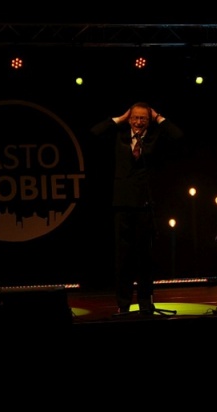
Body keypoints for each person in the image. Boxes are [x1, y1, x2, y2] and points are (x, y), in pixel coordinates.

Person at [91, 101, 184, 314]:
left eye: (143, 118)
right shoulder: (120, 136)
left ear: (149, 121)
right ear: (130, 119)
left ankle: (145, 303)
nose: (139, 122)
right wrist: (120, 119)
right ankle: (123, 304)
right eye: (135, 118)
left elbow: (178, 136)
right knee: (123, 259)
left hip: (145, 205)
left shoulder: (154, 137)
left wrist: (159, 117)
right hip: (122, 204)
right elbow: (94, 133)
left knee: (145, 258)